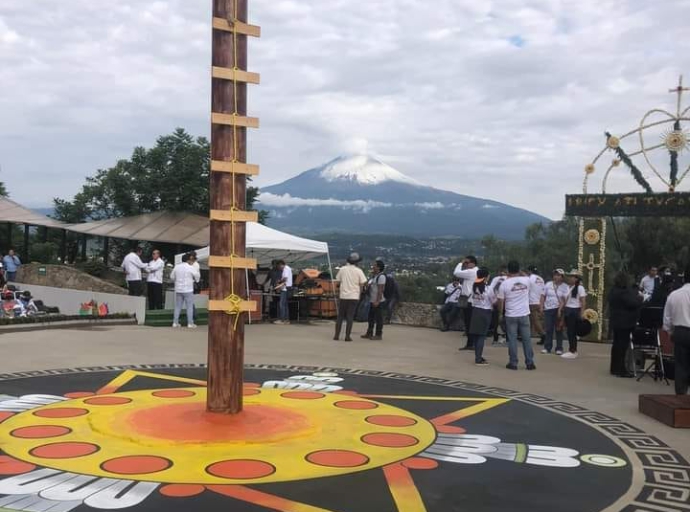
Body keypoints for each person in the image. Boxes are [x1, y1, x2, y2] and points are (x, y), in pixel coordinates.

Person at [497, 260, 536, 371]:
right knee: (526, 339)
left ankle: (513, 362)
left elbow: (501, 301)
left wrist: (500, 313)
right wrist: (521, 273)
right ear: (519, 269)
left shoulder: (504, 283)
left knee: (512, 339)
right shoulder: (526, 280)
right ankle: (530, 362)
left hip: (511, 314)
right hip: (524, 313)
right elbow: (530, 278)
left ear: (508, 270)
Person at [608, 272, 643, 378]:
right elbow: (633, 303)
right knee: (622, 347)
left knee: (616, 345)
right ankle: (621, 369)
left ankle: (614, 368)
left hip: (616, 321)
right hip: (625, 322)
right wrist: (640, 298)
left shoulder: (613, 291)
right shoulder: (624, 292)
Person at [663, 265, 690, 395]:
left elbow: (667, 318)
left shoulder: (674, 295)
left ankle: (680, 394)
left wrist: (669, 331)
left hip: (680, 332)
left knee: (680, 365)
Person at [334, 253, 368, 342]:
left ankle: (336, 335)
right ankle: (347, 336)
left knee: (340, 316)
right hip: (354, 296)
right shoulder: (359, 271)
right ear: (356, 262)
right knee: (350, 317)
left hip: (343, 296)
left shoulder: (342, 269)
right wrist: (359, 295)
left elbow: (337, 282)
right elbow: (362, 284)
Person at [468, 268, 496, 366]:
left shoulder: (474, 286)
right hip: (485, 312)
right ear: (486, 277)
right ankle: (478, 359)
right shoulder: (488, 288)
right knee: (481, 336)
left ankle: (478, 356)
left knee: (476, 335)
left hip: (475, 311)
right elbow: (493, 301)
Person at [540, 269, 569, 355]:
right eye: (555, 275)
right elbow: (543, 296)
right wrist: (541, 307)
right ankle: (547, 347)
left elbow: (565, 300)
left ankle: (559, 348)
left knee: (558, 329)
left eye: (558, 275)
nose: (556, 277)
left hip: (558, 309)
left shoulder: (565, 287)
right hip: (548, 309)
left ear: (562, 277)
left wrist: (560, 309)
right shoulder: (548, 284)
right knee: (548, 328)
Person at [454, 256, 479, 350]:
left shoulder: (471, 272)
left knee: (469, 322)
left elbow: (456, 273)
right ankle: (471, 343)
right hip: (472, 299)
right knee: (470, 322)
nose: (466, 264)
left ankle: (470, 344)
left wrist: (461, 263)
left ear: (473, 263)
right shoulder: (477, 271)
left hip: (468, 300)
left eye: (467, 263)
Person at [170, 253, 200, 328]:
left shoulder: (177, 267)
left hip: (179, 289)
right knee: (189, 306)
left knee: (177, 306)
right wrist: (195, 280)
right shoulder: (190, 267)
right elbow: (197, 276)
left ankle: (175, 322)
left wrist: (176, 280)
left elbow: (172, 277)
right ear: (188, 260)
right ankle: (190, 323)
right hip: (188, 289)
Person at [563, 270, 587, 359]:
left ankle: (573, 350)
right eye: (570, 276)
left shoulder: (580, 288)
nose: (570, 278)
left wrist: (582, 313)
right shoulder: (569, 287)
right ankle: (571, 349)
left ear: (576, 278)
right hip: (568, 309)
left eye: (572, 276)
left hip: (574, 310)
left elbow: (583, 301)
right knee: (569, 331)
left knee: (572, 332)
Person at [362, 260, 386, 340]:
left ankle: (378, 334)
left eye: (375, 265)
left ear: (378, 267)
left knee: (378, 318)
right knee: (371, 318)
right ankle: (369, 332)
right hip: (372, 300)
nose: (373, 267)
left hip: (378, 301)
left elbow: (380, 290)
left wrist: (377, 301)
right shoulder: (375, 276)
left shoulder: (381, 277)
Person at [528, 266, 546, 344]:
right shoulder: (541, 279)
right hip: (540, 301)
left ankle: (543, 335)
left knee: (535, 320)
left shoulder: (529, 279)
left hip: (532, 302)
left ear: (530, 271)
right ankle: (527, 335)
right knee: (534, 320)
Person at [489, 269, 507, 345]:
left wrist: (494, 301)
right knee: (507, 321)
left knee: (496, 321)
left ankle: (496, 338)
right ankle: (507, 338)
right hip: (507, 303)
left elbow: (491, 290)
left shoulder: (496, 279)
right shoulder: (510, 279)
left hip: (497, 302)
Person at [274, 260, 293, 325]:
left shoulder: (286, 269)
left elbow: (285, 279)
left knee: (282, 304)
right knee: (285, 305)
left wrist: (279, 282)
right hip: (286, 288)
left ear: (281, 264)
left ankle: (282, 319)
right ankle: (286, 320)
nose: (279, 268)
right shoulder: (287, 268)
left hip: (285, 289)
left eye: (279, 266)